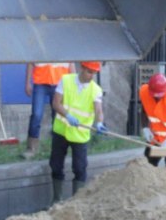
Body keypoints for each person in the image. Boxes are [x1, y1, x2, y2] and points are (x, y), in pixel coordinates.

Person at [49, 61, 107, 203]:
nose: (91, 76)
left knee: (80, 169)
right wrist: (67, 115)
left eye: (94, 73)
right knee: (56, 165)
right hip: (61, 131)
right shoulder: (66, 80)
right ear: (82, 68)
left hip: (80, 135)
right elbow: (56, 103)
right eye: (89, 72)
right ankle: (56, 201)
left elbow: (98, 109)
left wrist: (99, 122)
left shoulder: (96, 89)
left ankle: (75, 204)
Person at [23, 61, 71, 159]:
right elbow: (31, 62)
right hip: (40, 83)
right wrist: (27, 83)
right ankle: (31, 148)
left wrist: (71, 87)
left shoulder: (65, 47)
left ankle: (58, 148)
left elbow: (71, 64)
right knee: (36, 115)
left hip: (60, 84)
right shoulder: (38, 47)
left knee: (57, 117)